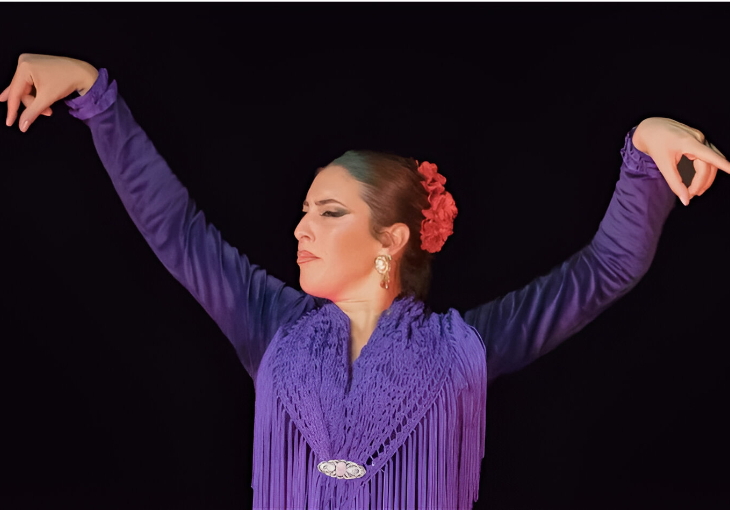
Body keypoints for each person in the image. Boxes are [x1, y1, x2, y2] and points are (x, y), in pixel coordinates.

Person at [3, 53, 728, 510]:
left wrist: (644, 149)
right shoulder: (271, 326)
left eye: (329, 211)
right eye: (303, 211)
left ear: (391, 238)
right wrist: (95, 94)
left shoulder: (463, 348)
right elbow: (177, 229)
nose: (301, 228)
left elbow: (603, 270)